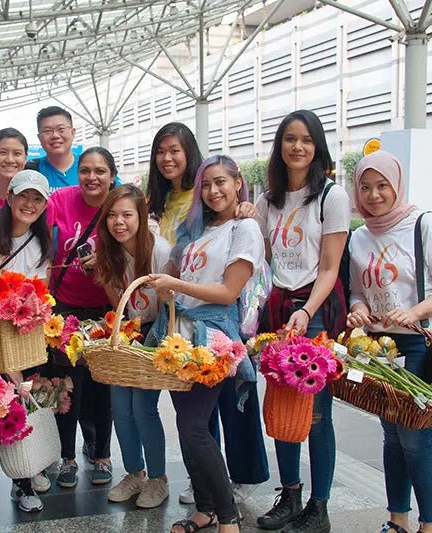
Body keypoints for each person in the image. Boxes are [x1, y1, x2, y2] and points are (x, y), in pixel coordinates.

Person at [146, 122, 268, 506]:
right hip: (182, 335)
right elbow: (179, 271)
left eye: (221, 183)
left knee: (195, 426)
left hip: (215, 336)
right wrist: (168, 285)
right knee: (190, 427)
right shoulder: (197, 228)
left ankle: (225, 512)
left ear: (238, 184)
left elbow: (229, 291)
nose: (214, 191)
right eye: (207, 185)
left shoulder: (245, 228)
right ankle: (205, 507)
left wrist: (177, 285)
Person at [347, 151, 432, 533]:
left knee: (415, 437)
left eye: (382, 185)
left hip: (420, 345)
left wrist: (415, 312)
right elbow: (357, 291)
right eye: (365, 187)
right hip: (381, 350)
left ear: (397, 185)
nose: (374, 195)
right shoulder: (359, 236)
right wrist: (359, 311)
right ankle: (397, 519)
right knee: (392, 436)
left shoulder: (425, 224)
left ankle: (430, 525)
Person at [255, 109, 350, 533]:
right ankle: (289, 496)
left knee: (316, 413)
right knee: (282, 406)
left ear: (318, 147)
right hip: (278, 311)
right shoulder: (268, 200)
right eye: (290, 138)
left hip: (315, 310)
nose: (297, 147)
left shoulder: (332, 196)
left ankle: (319, 506)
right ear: (279, 146)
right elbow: (262, 260)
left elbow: (330, 267)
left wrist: (307, 311)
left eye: (307, 139)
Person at [94, 184, 172, 509]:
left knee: (143, 407)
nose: (119, 222)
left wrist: (155, 342)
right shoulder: (109, 252)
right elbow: (119, 302)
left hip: (158, 331)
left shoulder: (160, 251)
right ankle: (134, 473)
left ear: (141, 216)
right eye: (112, 215)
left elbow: (170, 304)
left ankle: (158, 479)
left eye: (127, 214)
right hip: (129, 331)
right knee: (120, 407)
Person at [46, 147, 117, 489]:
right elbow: (30, 223)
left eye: (100, 171)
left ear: (112, 176)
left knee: (102, 386)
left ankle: (102, 454)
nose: (92, 177)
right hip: (64, 308)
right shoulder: (60, 199)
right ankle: (67, 458)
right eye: (85, 170)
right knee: (65, 387)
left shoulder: (118, 204)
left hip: (106, 309)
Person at [0, 169, 54, 513]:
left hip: (19, 340)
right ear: (8, 197)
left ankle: (22, 480)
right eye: (23, 195)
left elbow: (39, 298)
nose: (30, 204)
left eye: (37, 199)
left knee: (16, 409)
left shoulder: (41, 245)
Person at [25, 106, 79, 191]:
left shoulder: (88, 166)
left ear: (73, 132)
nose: (55, 135)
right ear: (39, 137)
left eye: (61, 129)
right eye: (47, 131)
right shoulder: (30, 170)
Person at [0, 128, 29, 210]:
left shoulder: (38, 199)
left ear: (25, 158)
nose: (10, 160)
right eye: (3, 152)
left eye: (17, 153)